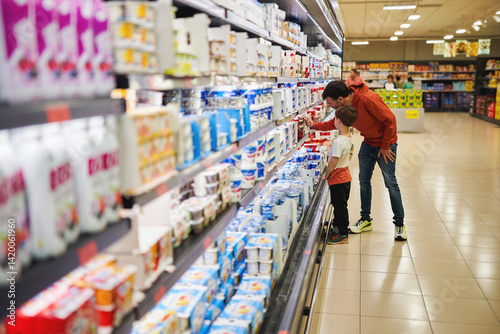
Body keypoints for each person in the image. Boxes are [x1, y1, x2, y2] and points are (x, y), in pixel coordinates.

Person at [302, 80, 406, 241]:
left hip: (386, 146)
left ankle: (399, 224)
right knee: (364, 182)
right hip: (369, 143)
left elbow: (390, 120)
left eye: (331, 104)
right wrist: (314, 125)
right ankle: (366, 219)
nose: (330, 107)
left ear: (340, 99)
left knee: (390, 183)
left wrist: (385, 145)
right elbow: (335, 123)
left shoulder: (367, 99)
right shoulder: (344, 106)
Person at [321, 106, 358, 244]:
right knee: (341, 204)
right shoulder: (348, 137)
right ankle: (337, 227)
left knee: (340, 207)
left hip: (338, 179)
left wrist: (325, 175)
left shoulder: (338, 142)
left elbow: (332, 163)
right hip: (345, 176)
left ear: (339, 121)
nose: (333, 121)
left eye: (334, 118)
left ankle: (342, 233)